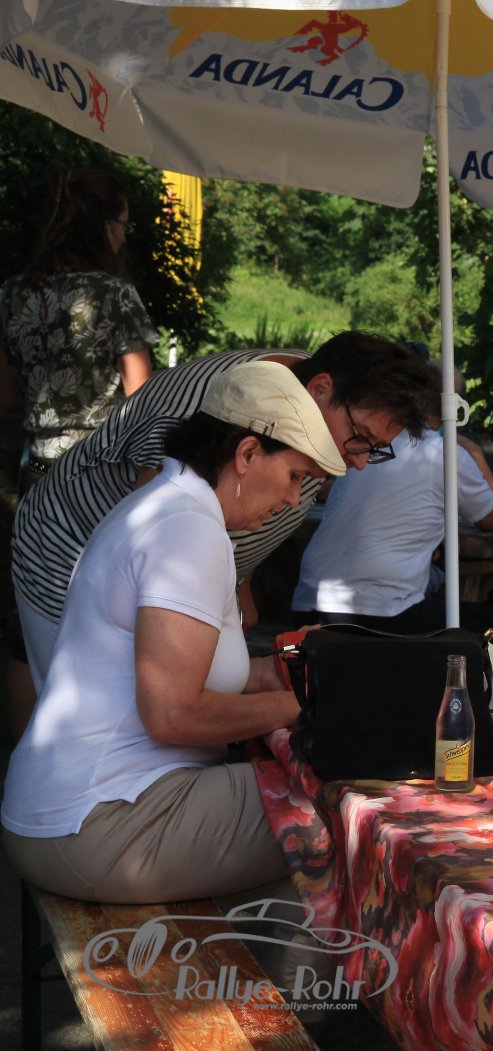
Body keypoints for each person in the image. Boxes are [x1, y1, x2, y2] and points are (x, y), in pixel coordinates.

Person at [2, 362, 346, 902]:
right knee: (351, 809)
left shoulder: (169, 505)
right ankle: (259, 961)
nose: (291, 501)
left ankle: (249, 951)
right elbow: (172, 713)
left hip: (83, 811)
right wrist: (302, 709)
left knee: (324, 801)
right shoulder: (187, 529)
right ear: (247, 454)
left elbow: (201, 670)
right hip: (100, 822)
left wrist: (312, 668)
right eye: (295, 477)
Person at [10, 330, 429, 692]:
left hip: (167, 570)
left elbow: (234, 507)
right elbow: (154, 526)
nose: (359, 461)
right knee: (102, 698)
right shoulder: (222, 396)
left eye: (376, 450)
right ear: (321, 388)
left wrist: (235, 591)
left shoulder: (316, 414)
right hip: (67, 548)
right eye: (360, 437)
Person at [292, 361, 493, 645]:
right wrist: (477, 455)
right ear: (454, 407)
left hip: (308, 605)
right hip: (380, 613)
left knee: (430, 580)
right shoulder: (446, 453)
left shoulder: (366, 441)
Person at [0, 166, 155, 489]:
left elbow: (7, 398)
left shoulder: (10, 294)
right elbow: (142, 401)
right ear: (105, 225)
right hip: (100, 475)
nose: (125, 236)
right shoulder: (115, 295)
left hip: (38, 473)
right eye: (124, 225)